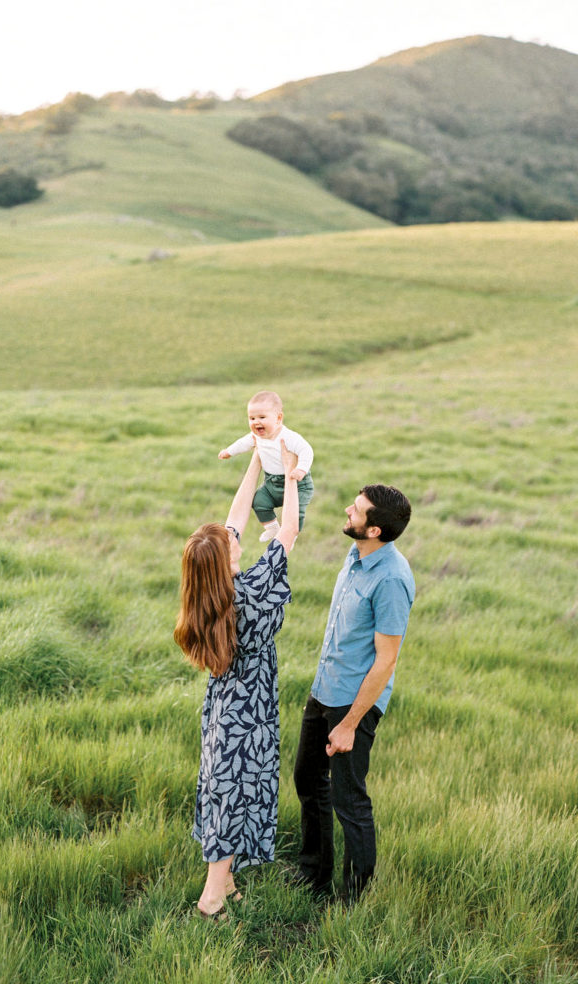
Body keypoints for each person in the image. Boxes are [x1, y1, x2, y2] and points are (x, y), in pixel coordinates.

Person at [175, 441, 300, 919]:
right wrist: (288, 472)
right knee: (237, 795)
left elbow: (237, 512)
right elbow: (287, 531)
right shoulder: (250, 593)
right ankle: (211, 898)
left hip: (222, 709)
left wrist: (259, 456)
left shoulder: (205, 597)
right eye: (230, 541)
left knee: (221, 788)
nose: (236, 536)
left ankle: (225, 883)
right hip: (251, 713)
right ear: (226, 559)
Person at [293, 484, 415, 902]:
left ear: (375, 529)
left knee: (350, 801)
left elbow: (386, 661)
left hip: (353, 704)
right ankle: (314, 875)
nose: (348, 510)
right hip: (325, 690)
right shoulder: (356, 555)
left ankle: (353, 900)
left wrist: (349, 724)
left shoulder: (392, 579)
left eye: (358, 510)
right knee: (308, 780)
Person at [218, 390, 314, 542]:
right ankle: (272, 527)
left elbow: (306, 450)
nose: (256, 422)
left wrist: (301, 469)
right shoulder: (256, 436)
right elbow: (242, 443)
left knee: (296, 512)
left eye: (262, 417)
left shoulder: (288, 437)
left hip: (297, 483)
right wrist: (229, 451)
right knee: (258, 501)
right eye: (252, 418)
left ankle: (291, 536)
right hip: (271, 482)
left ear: (278, 418)